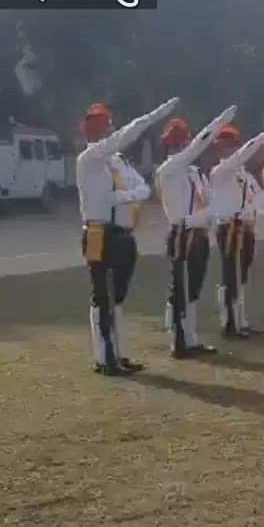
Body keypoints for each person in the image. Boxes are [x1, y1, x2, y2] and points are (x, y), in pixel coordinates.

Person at [77, 97, 178, 375]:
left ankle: (119, 353)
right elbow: (125, 139)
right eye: (102, 127)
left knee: (118, 297)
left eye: (109, 125)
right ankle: (103, 357)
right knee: (103, 297)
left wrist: (123, 196)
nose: (108, 131)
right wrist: (151, 117)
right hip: (99, 233)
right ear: (90, 131)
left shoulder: (118, 161)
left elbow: (143, 188)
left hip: (123, 233)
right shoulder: (89, 159)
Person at [155, 107, 237, 359]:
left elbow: (210, 200)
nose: (183, 147)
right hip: (183, 233)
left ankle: (190, 338)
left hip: (199, 233)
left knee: (193, 289)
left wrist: (208, 215)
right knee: (180, 288)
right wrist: (217, 123)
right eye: (179, 143)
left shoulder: (194, 173)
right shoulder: (168, 170)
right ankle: (178, 340)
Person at [209, 122, 264, 339]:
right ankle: (230, 322)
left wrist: (249, 209)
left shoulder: (244, 175)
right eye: (225, 145)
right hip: (230, 228)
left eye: (232, 144)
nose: (229, 149)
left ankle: (241, 320)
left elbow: (260, 197)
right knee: (231, 275)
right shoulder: (220, 171)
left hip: (247, 227)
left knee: (242, 275)